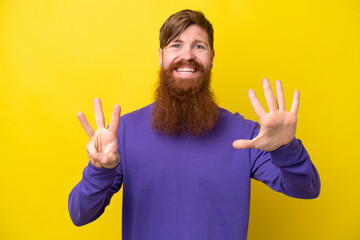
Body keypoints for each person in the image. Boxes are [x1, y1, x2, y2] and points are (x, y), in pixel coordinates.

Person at [68, 9, 320, 240]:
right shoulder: (121, 134)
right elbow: (80, 215)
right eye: (176, 45)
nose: (187, 55)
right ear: (160, 56)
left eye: (198, 46)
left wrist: (285, 148)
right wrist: (100, 169)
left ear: (211, 58)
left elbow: (307, 189)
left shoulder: (247, 135)